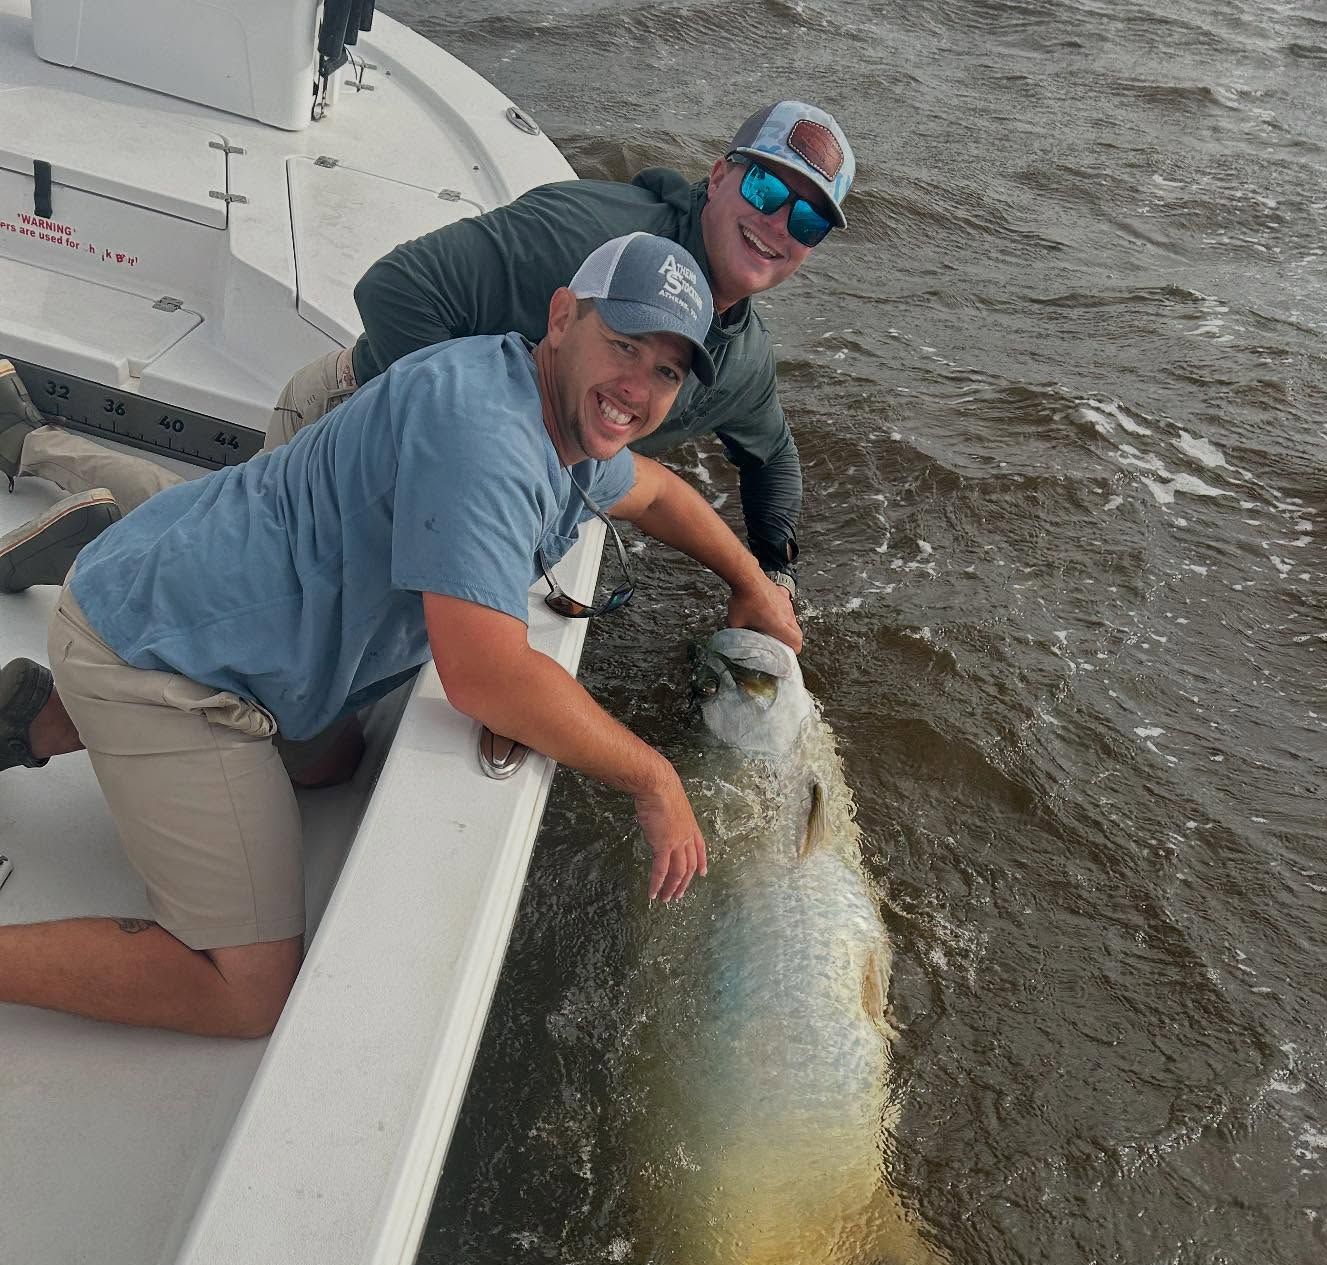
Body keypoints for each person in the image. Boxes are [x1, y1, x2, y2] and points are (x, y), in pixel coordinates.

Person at [0, 234, 799, 1040]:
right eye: (622, 344)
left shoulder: (551, 404)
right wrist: (653, 777)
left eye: (665, 370)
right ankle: (90, 708)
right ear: (563, 318)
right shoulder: (485, 438)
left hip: (200, 594)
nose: (636, 387)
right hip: (158, 657)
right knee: (249, 993)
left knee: (333, 765)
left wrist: (752, 586)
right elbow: (485, 679)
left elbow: (658, 495)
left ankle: (40, 715)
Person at [0, 100, 854, 625]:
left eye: (807, 221)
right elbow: (397, 288)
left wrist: (773, 572)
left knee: (243, 573)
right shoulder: (584, 233)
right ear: (718, 176)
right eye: (767, 190)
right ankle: (47, 457)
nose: (778, 225)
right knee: (229, 571)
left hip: (448, 481)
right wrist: (473, 452)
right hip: (352, 410)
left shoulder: (738, 362)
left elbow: (771, 456)